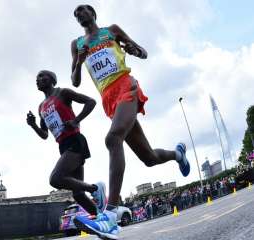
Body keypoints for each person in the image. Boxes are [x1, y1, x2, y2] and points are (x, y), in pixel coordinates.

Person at [70, 5, 190, 239]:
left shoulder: (111, 31)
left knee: (112, 138)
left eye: (83, 10)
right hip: (108, 99)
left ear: (93, 14)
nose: (79, 14)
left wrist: (135, 50)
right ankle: (177, 154)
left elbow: (143, 52)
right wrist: (78, 62)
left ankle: (111, 216)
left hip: (126, 86)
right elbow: (74, 81)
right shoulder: (77, 44)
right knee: (149, 158)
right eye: (76, 14)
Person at [26, 70, 106, 216]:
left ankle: (95, 189)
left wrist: (76, 121)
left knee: (56, 179)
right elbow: (45, 135)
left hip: (75, 141)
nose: (38, 79)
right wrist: (33, 125)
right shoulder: (41, 107)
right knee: (78, 195)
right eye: (36, 77)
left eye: (42, 76)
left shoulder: (62, 93)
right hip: (63, 147)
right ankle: (103, 219)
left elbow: (91, 102)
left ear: (52, 79)